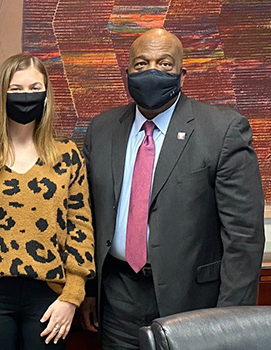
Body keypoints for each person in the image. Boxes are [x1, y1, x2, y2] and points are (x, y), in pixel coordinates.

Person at [77, 28, 265, 349]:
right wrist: (87, 291)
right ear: (127, 73)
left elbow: (244, 236)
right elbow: (86, 216)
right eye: (141, 64)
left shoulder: (222, 130)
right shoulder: (102, 129)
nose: (152, 71)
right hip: (117, 298)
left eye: (164, 64)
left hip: (192, 302)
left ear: (182, 73)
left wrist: (231, 318)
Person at [0, 53, 95, 350]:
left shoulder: (67, 156)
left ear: (46, 94)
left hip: (51, 298)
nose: (26, 97)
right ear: (2, 94)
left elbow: (82, 228)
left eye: (34, 88)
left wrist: (72, 296)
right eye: (16, 89)